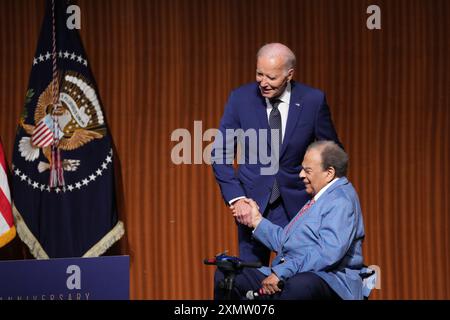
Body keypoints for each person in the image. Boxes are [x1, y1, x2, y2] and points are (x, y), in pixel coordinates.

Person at [211, 43, 342, 265]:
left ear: (289, 74)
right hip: (252, 206)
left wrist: (322, 201)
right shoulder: (240, 98)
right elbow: (220, 153)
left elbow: (333, 154)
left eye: (271, 77)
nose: (263, 82)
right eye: (258, 74)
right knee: (252, 281)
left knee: (295, 278)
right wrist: (237, 199)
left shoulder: (313, 100)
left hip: (298, 206)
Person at [214, 141, 367, 300]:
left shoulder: (341, 200)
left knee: (299, 286)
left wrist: (283, 271)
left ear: (329, 173)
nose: (301, 175)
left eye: (307, 170)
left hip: (329, 279)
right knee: (228, 274)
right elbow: (286, 242)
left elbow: (327, 253)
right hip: (295, 271)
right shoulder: (318, 198)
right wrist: (256, 220)